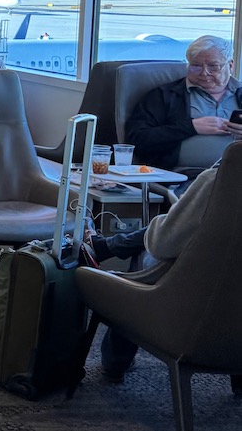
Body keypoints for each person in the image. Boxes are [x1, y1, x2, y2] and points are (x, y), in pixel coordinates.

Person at [88, 157, 234, 384]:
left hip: (190, 312)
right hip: (231, 320)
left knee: (148, 250)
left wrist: (168, 218)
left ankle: (115, 362)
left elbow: (163, 243)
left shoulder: (221, 180)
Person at [126, 35, 242, 171]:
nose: (204, 73)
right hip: (184, 176)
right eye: (196, 66)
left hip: (235, 175)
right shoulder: (165, 95)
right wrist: (191, 127)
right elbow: (136, 140)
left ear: (230, 65)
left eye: (213, 66)